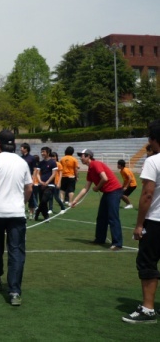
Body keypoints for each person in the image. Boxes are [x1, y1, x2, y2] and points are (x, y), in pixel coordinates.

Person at [0, 130, 33, 307]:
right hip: (17, 214)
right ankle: (14, 291)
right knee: (16, 251)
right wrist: (22, 203)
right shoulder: (22, 162)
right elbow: (29, 188)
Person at [122, 119, 160, 324]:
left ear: (153, 139)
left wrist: (139, 224)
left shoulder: (153, 161)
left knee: (147, 262)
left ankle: (148, 309)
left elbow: (147, 194)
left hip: (155, 221)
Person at [71, 149, 124, 250]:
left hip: (114, 191)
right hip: (107, 192)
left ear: (88, 156)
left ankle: (117, 243)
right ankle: (100, 239)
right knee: (101, 217)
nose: (81, 158)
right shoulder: (90, 170)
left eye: (82, 156)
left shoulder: (96, 164)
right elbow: (85, 188)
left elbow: (104, 178)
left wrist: (97, 187)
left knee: (113, 217)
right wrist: (75, 200)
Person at [34, 147, 59, 221]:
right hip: (41, 185)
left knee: (44, 200)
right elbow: (37, 173)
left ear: (48, 152)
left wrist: (47, 182)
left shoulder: (53, 162)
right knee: (43, 202)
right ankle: (46, 216)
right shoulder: (41, 163)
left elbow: (54, 174)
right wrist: (40, 181)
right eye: (41, 152)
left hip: (50, 185)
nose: (42, 153)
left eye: (44, 152)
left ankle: (38, 211)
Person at [20, 143, 37, 219]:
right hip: (21, 180)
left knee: (31, 197)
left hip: (29, 179)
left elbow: (35, 169)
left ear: (26, 149)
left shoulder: (32, 158)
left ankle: (31, 213)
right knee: (21, 196)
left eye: (22, 148)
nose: (20, 149)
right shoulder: (20, 158)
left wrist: (33, 179)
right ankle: (21, 212)